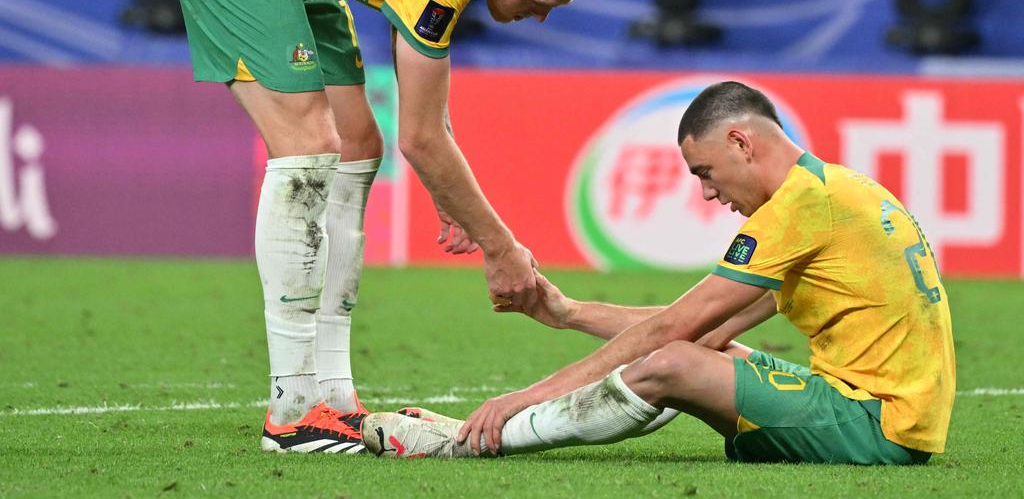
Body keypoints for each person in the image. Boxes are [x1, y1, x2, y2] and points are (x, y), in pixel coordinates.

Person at [152, 0, 606, 453]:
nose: (540, 17)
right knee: (309, 143)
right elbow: (422, 137)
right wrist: (501, 249)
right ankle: (291, 410)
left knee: (357, 143)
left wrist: (453, 199)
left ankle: (334, 395)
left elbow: (417, 124)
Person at [364, 81, 955, 464]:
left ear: (740, 142)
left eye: (705, 171)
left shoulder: (799, 210)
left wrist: (523, 398)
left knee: (672, 361)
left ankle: (468, 444)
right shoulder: (836, 191)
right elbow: (705, 328)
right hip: (884, 414)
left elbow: (675, 330)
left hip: (877, 425)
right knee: (703, 352)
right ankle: (481, 433)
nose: (707, 193)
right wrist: (568, 313)